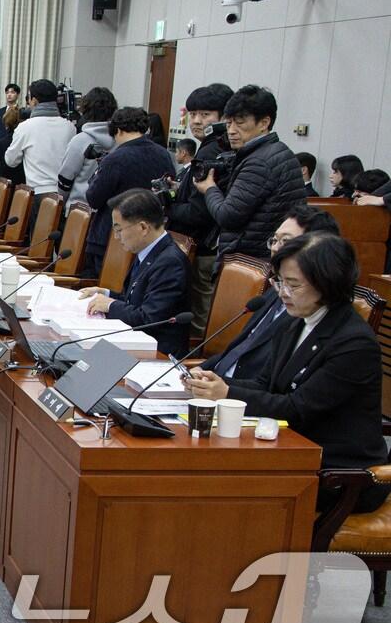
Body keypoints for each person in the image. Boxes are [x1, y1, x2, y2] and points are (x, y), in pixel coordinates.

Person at [186, 234, 390, 514]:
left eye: (293, 285)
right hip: (292, 451)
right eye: (279, 282)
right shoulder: (295, 322)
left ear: (327, 284)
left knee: (223, 486)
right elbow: (264, 384)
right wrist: (216, 384)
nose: (282, 293)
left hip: (340, 475)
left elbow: (298, 408)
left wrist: (228, 393)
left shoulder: (354, 343)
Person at [199, 204, 341, 381]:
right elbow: (241, 348)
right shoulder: (273, 290)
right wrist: (200, 369)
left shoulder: (309, 310)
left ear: (317, 249)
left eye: (286, 242)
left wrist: (226, 389)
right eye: (274, 240)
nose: (275, 248)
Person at [192, 85, 305, 263]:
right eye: (228, 123)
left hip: (250, 259)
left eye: (240, 122)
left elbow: (227, 216)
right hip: (265, 256)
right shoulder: (277, 152)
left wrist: (209, 189)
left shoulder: (259, 162)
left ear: (264, 123)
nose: (231, 130)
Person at [77, 189, 190, 354]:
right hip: (133, 342)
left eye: (119, 229)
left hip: (157, 354)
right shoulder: (149, 251)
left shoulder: (170, 263)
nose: (116, 237)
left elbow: (149, 319)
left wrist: (111, 305)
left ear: (143, 227)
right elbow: (134, 302)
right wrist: (105, 294)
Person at [166, 83, 234, 336]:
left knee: (199, 316)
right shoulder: (216, 146)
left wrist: (168, 205)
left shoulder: (212, 149)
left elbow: (199, 212)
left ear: (224, 117)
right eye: (193, 114)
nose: (196, 121)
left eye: (205, 115)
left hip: (203, 246)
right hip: (206, 244)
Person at [81, 108, 175, 277]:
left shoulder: (115, 159)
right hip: (151, 234)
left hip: (112, 235)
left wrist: (96, 175)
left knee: (101, 285)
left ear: (117, 130)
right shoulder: (164, 154)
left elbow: (94, 198)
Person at [4, 79, 76, 195]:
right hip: (64, 193)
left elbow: (10, 160)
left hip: (37, 193)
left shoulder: (25, 127)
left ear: (34, 101)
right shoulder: (70, 127)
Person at [57, 86, 117, 205]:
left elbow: (66, 178)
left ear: (85, 109)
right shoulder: (119, 140)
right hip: (108, 208)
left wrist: (62, 202)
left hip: (79, 208)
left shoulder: (80, 140)